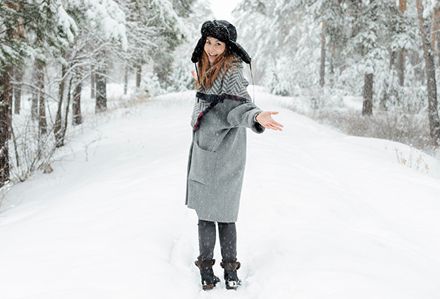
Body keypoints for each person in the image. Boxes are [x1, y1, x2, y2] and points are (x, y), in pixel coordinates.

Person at [185, 20, 283, 291]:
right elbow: (210, 99)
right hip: (206, 151)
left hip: (226, 153)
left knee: (225, 214)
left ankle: (229, 272)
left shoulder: (231, 72)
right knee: (206, 214)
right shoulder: (207, 68)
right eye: (208, 42)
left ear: (228, 47)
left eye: (218, 44)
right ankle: (207, 272)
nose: (212, 48)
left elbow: (242, 107)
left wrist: (257, 117)